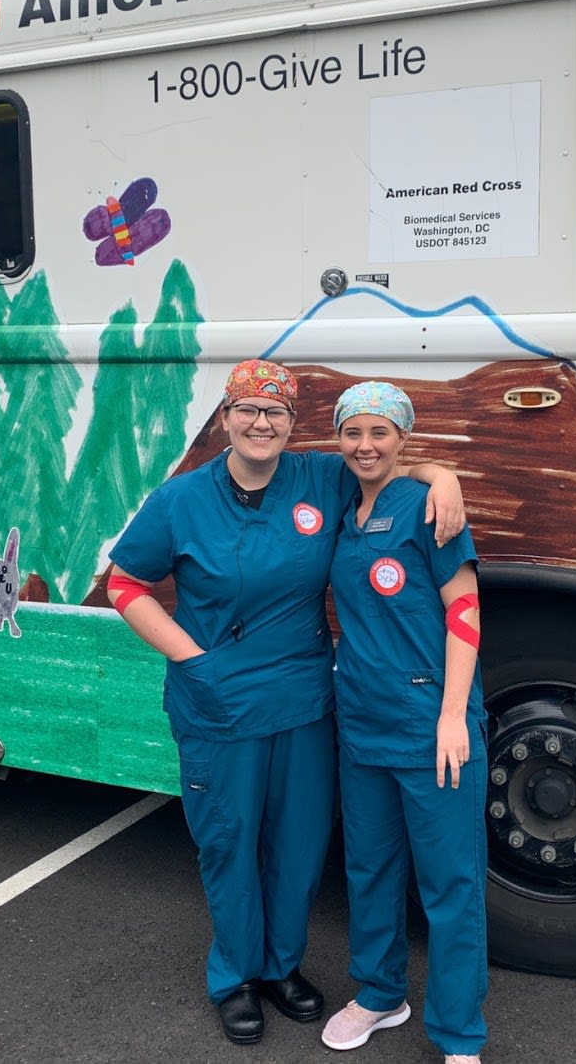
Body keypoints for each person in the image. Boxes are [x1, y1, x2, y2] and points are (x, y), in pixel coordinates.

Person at [106, 360, 465, 1046]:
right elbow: (126, 584)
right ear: (226, 418)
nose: (260, 422)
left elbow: (384, 464)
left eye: (275, 412)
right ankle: (235, 977)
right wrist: (193, 659)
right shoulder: (180, 499)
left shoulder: (318, 478)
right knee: (229, 841)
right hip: (218, 704)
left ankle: (279, 967)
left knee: (299, 844)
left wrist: (441, 476)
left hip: (303, 699)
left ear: (292, 424)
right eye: (247, 409)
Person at [322, 381, 488, 1064]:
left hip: (431, 726)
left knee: (449, 883)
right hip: (362, 722)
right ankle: (381, 993)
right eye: (352, 431)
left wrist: (452, 715)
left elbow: (464, 607)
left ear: (402, 437)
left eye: (379, 432)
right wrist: (435, 466)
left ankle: (458, 1034)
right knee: (369, 869)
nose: (365, 445)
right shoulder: (341, 503)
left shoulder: (427, 508)